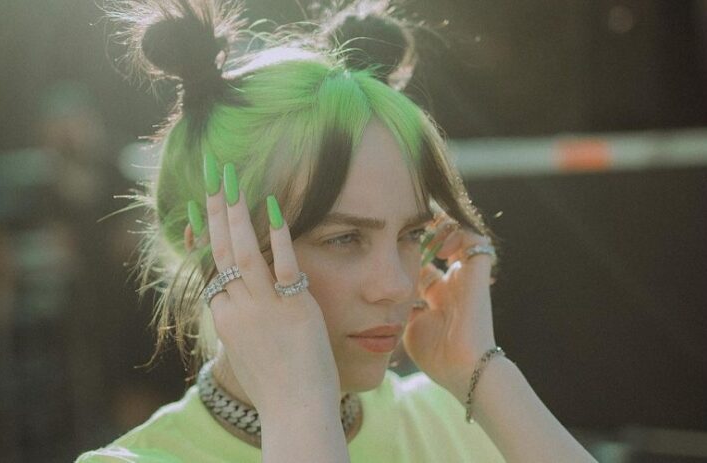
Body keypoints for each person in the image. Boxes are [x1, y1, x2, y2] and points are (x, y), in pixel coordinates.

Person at [78, 0, 597, 461]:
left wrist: (479, 371)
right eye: (344, 239)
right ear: (214, 248)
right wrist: (299, 409)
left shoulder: (456, 417)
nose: (397, 285)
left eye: (412, 235)